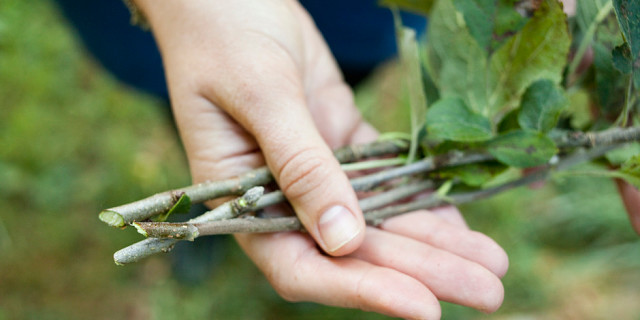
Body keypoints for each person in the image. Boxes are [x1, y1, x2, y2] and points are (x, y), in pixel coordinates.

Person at [53, 0, 639, 318]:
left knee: (309, 94)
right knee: (200, 102)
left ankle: (201, 215)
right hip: (195, 21)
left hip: (361, 16)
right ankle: (200, 222)